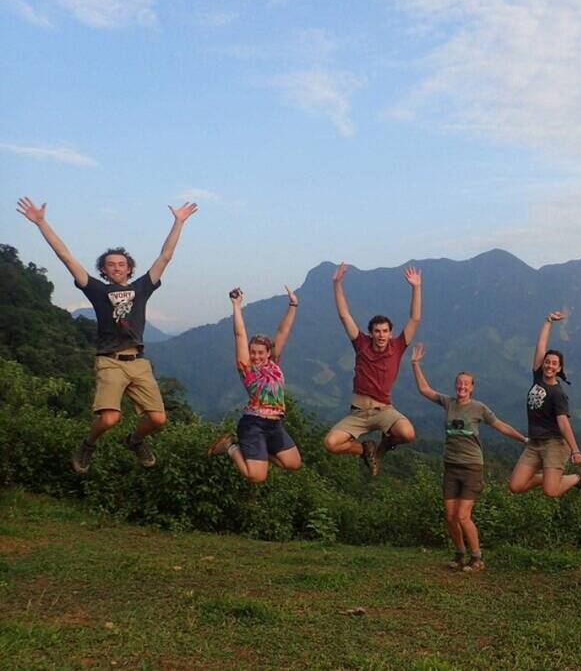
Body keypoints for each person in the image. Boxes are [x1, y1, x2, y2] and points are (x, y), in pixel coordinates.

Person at [16, 196, 198, 473]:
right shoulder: (97, 291)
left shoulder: (142, 288)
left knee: (159, 419)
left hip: (138, 361)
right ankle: (88, 445)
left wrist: (178, 222)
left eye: (121, 264)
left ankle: (135, 441)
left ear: (129, 269)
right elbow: (65, 256)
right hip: (110, 361)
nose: (116, 267)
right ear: (103, 269)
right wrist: (42, 223)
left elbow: (166, 256)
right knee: (109, 419)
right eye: (111, 264)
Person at [410, 343, 527, 571]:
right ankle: (460, 554)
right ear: (456, 385)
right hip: (451, 466)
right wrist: (415, 364)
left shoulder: (479, 408)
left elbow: (500, 426)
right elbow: (425, 390)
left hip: (472, 467)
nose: (462, 386)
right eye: (459, 383)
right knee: (451, 516)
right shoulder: (448, 402)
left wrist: (523, 439)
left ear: (472, 388)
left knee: (463, 516)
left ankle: (477, 558)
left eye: (466, 384)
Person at [323, 262, 420, 475]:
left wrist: (416, 288)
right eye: (377, 331)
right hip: (358, 412)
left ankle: (382, 447)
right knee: (331, 443)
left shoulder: (398, 346)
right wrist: (337, 283)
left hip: (384, 410)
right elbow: (344, 315)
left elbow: (414, 319)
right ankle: (365, 450)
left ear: (391, 333)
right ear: (371, 333)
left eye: (385, 331)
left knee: (408, 433)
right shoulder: (361, 344)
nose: (381, 335)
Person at [207, 287, 302, 482]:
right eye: (253, 352)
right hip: (253, 425)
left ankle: (259, 452)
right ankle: (231, 447)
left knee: (293, 463)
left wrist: (293, 304)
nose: (256, 356)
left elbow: (283, 331)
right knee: (256, 476)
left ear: (268, 353)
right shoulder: (247, 369)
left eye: (261, 352)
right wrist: (236, 306)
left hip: (275, 424)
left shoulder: (273, 363)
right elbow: (240, 334)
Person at [508, 311, 581, 499]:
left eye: (554, 364)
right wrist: (548, 321)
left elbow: (563, 423)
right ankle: (549, 477)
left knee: (551, 491)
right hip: (534, 443)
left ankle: (577, 479)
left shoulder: (558, 394)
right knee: (515, 486)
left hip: (554, 444)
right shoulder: (538, 377)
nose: (549, 365)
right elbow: (540, 346)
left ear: (559, 368)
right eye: (547, 362)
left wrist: (575, 450)